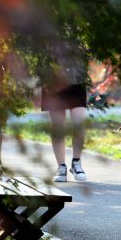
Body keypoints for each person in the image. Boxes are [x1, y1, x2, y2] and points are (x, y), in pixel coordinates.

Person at [42, 49, 89, 182]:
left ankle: (76, 162)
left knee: (79, 123)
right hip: (52, 80)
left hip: (76, 78)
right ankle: (61, 167)